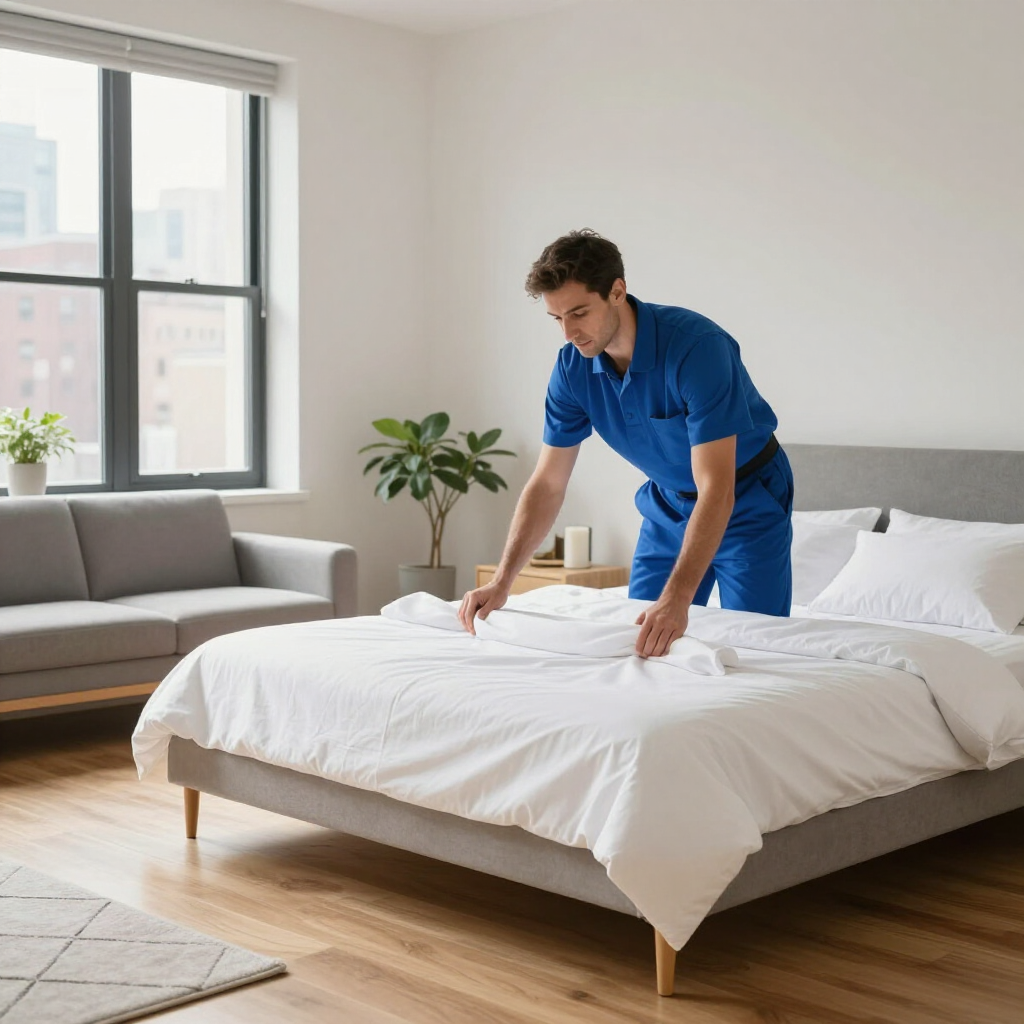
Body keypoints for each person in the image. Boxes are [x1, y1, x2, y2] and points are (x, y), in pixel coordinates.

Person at [458, 229, 793, 658]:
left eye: (579, 313)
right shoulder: (572, 369)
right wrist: (503, 580)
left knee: (758, 649)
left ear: (617, 291)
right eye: (557, 318)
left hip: (746, 499)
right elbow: (548, 483)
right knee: (637, 642)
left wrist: (678, 601)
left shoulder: (698, 349)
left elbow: (717, 488)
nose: (568, 333)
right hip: (667, 505)